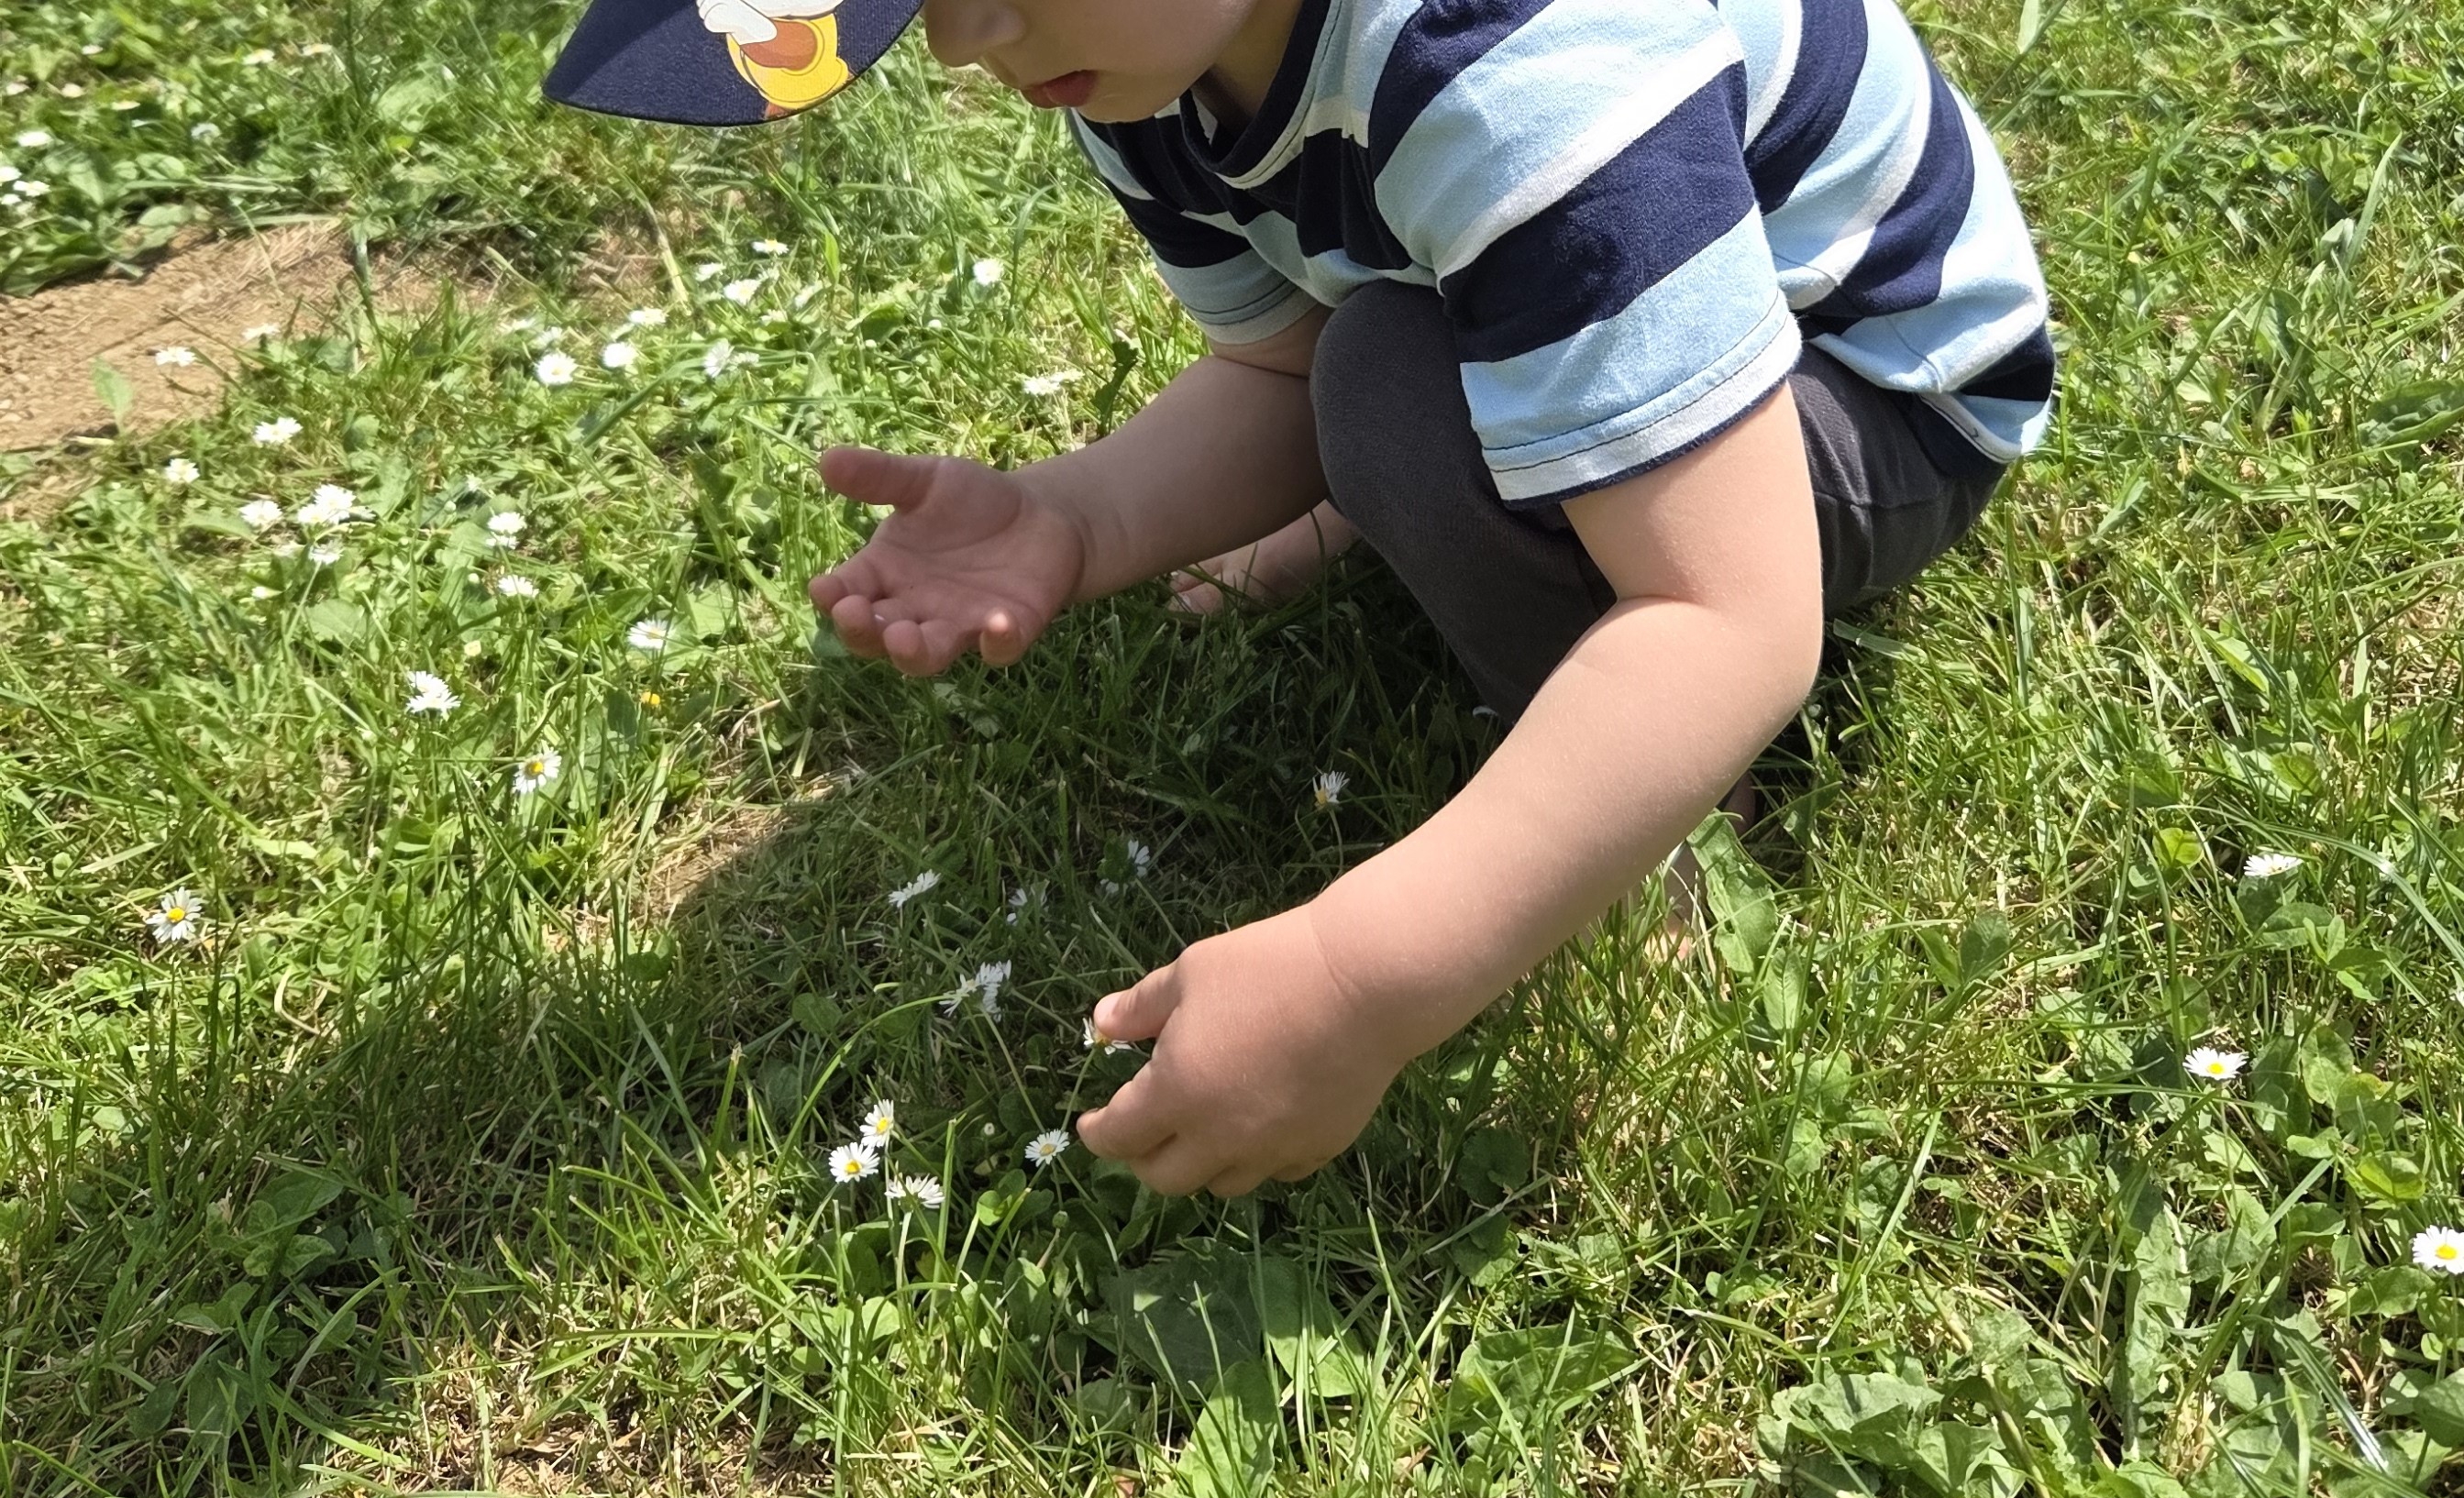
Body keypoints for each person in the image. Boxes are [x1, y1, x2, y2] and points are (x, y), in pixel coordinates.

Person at [547, 0, 2053, 1199]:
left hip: (1867, 386)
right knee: (1367, 377)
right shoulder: (1142, 56)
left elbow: (1727, 616)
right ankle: (1431, 476)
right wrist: (1078, 513)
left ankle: (1659, 854)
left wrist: (1359, 975)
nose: (961, 39)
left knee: (1395, 391)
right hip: (1568, 289)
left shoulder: (1521, 65)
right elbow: (1283, 362)